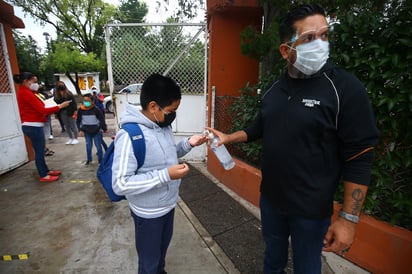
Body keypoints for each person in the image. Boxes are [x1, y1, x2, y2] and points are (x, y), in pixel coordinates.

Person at [206, 3, 380, 274]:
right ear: (287, 51)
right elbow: (259, 127)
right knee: (272, 257)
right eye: (309, 38)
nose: (320, 43)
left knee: (307, 267)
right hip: (271, 200)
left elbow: (359, 157)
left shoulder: (345, 89)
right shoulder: (275, 88)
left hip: (311, 211)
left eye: (324, 35)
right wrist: (229, 137)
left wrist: (348, 219)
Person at [112, 73, 208, 274]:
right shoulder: (129, 136)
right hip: (148, 214)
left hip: (167, 206)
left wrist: (188, 143)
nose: (173, 115)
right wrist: (166, 175)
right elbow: (120, 183)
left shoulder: (161, 125)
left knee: (159, 256)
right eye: (171, 111)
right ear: (153, 106)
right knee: (149, 263)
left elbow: (167, 155)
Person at [14, 72, 71, 182]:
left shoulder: (27, 92)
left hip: (33, 125)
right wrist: (59, 106)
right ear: (26, 81)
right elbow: (42, 110)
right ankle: (43, 175)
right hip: (33, 126)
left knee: (40, 149)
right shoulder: (26, 93)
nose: (36, 84)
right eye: (34, 82)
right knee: (40, 151)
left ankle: (45, 171)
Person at [76, 93, 107, 165]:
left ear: (92, 101)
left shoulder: (96, 109)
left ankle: (100, 160)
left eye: (87, 100)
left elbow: (102, 119)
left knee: (98, 146)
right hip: (87, 131)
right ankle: (89, 159)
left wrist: (103, 128)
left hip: (96, 131)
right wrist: (80, 130)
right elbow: (78, 120)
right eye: (84, 101)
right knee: (88, 146)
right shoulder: (81, 110)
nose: (85, 102)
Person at [91, 86, 108, 151]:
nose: (94, 90)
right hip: (95, 110)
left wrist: (97, 97)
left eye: (94, 89)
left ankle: (104, 128)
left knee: (102, 120)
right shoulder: (91, 96)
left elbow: (102, 100)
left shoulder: (100, 94)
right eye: (92, 89)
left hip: (101, 109)